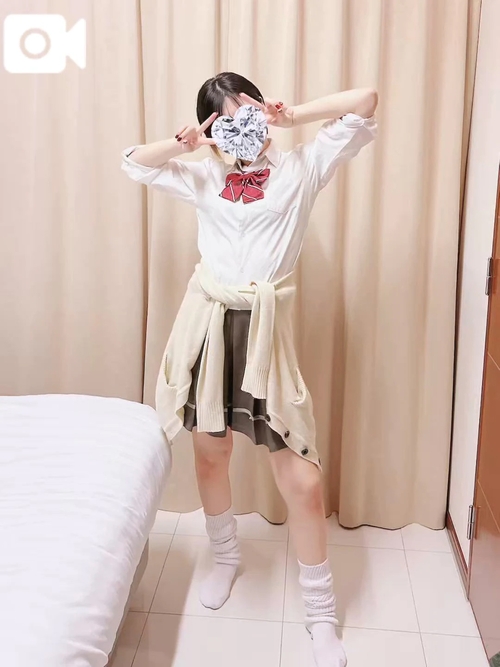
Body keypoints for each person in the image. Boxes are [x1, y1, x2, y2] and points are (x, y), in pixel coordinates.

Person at [121, 72, 378, 667]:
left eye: (248, 113)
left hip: (266, 333)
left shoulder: (303, 166)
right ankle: (226, 559)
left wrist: (295, 116)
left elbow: (365, 101)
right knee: (211, 453)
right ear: (213, 129)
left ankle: (320, 614)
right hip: (209, 323)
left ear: (262, 110)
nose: (243, 128)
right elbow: (133, 162)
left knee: (303, 481)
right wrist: (188, 144)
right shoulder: (203, 175)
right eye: (227, 120)